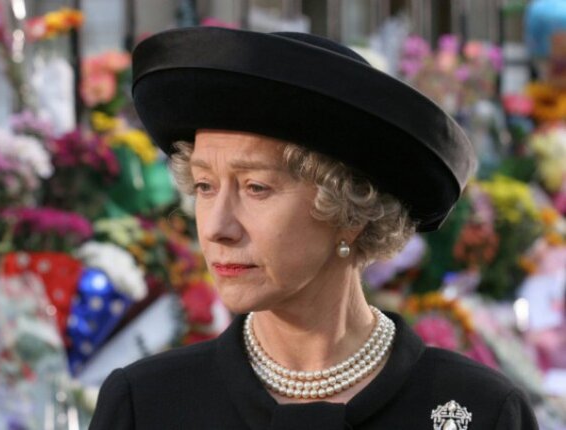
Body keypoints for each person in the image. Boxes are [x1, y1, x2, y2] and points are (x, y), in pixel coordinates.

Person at [89, 27, 538, 429]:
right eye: (205, 186)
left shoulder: (479, 411)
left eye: (256, 187)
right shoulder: (147, 405)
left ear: (351, 211)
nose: (217, 228)